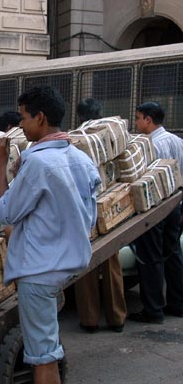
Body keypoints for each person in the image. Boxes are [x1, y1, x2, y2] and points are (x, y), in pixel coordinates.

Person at [0, 86, 101, 384]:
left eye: (24, 118)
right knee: (47, 346)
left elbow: (6, 213)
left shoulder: (38, 162)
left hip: (39, 273)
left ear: (40, 118)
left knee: (44, 357)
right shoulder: (80, 158)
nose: (21, 125)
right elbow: (89, 217)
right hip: (65, 265)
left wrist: (0, 165)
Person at [74, 98, 127, 333]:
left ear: (80, 118)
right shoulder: (110, 133)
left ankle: (90, 319)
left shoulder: (75, 138)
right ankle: (117, 318)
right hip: (109, 205)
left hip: (84, 210)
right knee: (111, 263)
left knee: (86, 265)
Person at [128, 101, 183, 324]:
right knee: (172, 254)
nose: (136, 122)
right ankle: (177, 304)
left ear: (148, 120)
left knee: (150, 258)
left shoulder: (151, 145)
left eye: (139, 118)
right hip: (176, 205)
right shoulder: (178, 141)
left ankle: (153, 310)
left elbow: (146, 182)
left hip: (157, 207)